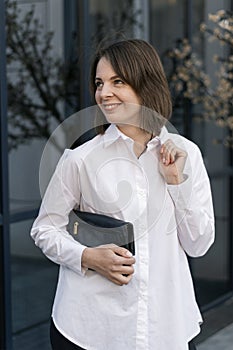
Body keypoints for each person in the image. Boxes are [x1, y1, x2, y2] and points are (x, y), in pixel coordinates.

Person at [31, 39, 215, 350]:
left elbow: (198, 244)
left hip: (166, 329)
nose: (103, 93)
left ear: (146, 83)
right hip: (91, 329)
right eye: (99, 83)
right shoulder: (80, 159)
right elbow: (44, 228)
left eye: (118, 81)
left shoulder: (187, 155)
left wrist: (175, 181)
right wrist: (86, 256)